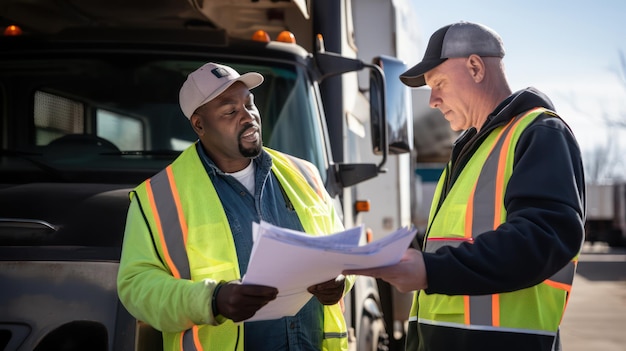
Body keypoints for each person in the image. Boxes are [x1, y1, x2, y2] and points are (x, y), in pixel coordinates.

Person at [343, 21, 585, 351]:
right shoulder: (471, 150)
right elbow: (460, 239)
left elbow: (543, 238)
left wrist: (431, 270)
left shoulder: (540, 133)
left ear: (474, 67)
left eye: (438, 83)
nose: (433, 101)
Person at [117, 62, 352, 351]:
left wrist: (341, 280)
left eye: (250, 105)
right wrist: (212, 300)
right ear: (199, 125)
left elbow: (341, 254)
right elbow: (137, 288)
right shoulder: (157, 197)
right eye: (230, 111)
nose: (248, 117)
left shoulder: (305, 174)